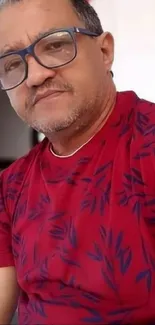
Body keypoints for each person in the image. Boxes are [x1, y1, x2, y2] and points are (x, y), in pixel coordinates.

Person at [0, 0, 155, 324]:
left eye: (55, 44)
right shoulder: (10, 185)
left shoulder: (147, 144)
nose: (35, 76)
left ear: (104, 51)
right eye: (13, 64)